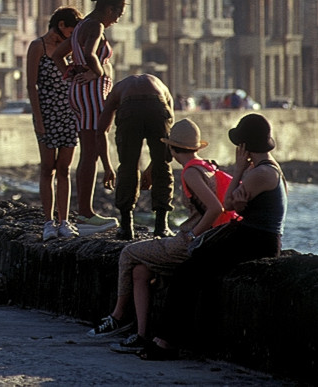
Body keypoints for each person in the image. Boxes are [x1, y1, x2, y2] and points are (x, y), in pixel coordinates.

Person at [139, 113, 288, 360]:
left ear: (245, 146)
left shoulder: (260, 173)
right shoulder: (266, 169)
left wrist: (239, 169)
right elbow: (238, 205)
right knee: (202, 272)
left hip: (256, 239)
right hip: (255, 235)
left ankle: (166, 342)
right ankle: (190, 339)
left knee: (186, 274)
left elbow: (227, 203)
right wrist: (240, 194)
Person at [88, 119, 237, 352]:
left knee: (128, 252)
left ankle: (117, 317)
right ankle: (141, 335)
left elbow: (215, 208)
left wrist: (192, 236)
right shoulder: (208, 167)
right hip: (212, 239)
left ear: (172, 148)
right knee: (140, 271)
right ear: (196, 148)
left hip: (193, 241)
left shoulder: (190, 173)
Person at [52, 0, 130, 234]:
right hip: (91, 92)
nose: (117, 19)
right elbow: (88, 53)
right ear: (109, 9)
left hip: (79, 92)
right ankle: (85, 214)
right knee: (91, 150)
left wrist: (70, 72)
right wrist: (97, 71)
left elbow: (57, 54)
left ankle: (86, 211)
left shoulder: (81, 26)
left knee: (89, 150)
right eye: (117, 13)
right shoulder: (95, 26)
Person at [26, 6, 82, 240]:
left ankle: (64, 221)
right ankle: (48, 221)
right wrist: (38, 119)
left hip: (69, 113)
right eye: (72, 28)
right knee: (47, 168)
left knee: (64, 169)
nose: (74, 34)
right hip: (47, 112)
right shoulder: (38, 46)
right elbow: (31, 85)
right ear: (61, 25)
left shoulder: (71, 49)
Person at [97, 74, 175, 240]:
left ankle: (126, 227)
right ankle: (162, 226)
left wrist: (107, 167)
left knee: (128, 166)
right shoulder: (161, 86)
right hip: (158, 105)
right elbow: (168, 144)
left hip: (129, 110)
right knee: (163, 165)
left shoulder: (117, 91)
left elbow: (101, 131)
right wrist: (152, 168)